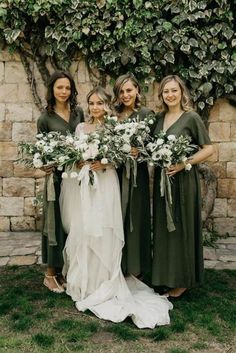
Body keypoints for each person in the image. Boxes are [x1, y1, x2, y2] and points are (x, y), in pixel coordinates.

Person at [59, 86, 172, 328]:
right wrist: (81, 162)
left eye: (100, 103)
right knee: (84, 227)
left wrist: (104, 163)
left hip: (106, 182)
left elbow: (120, 159)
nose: (95, 107)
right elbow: (72, 158)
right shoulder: (80, 128)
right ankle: (85, 280)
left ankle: (104, 278)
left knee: (104, 227)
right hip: (84, 184)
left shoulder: (113, 128)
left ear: (107, 105)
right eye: (91, 103)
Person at [151, 75, 214, 298]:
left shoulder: (191, 118)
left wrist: (184, 163)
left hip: (184, 181)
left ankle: (184, 280)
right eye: (165, 91)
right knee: (164, 229)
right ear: (162, 95)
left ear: (181, 93)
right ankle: (165, 277)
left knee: (183, 227)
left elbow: (208, 149)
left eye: (173, 91)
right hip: (163, 181)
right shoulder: (159, 119)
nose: (170, 95)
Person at [37, 70, 84, 293]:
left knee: (73, 223)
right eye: (59, 87)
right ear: (52, 90)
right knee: (54, 222)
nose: (64, 92)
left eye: (67, 88)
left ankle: (66, 270)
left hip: (77, 177)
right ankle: (49, 274)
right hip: (56, 178)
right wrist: (43, 164)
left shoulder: (78, 113)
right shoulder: (45, 118)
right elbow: (40, 151)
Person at [113, 73, 153, 280]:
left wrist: (141, 150)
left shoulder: (147, 114)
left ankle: (137, 268)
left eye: (129, 90)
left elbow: (156, 147)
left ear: (137, 90)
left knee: (136, 218)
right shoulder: (114, 117)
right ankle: (118, 265)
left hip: (138, 177)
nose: (126, 95)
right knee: (117, 217)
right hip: (116, 175)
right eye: (122, 91)